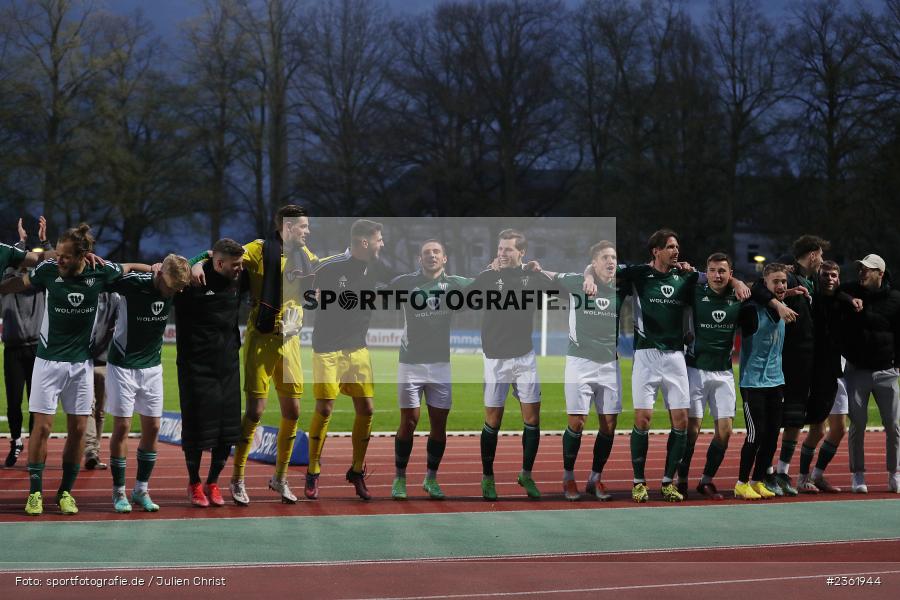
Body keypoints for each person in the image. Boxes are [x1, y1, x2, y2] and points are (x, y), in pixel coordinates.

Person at [0, 223, 138, 516]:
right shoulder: (48, 271)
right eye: (58, 254)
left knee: (77, 429)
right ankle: (35, 493)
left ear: (82, 256)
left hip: (81, 365)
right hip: (47, 363)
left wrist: (154, 265)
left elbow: (127, 268)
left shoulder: (100, 272)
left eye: (64, 256)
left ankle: (65, 493)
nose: (58, 259)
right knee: (43, 427)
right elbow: (21, 283)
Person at [197, 205, 319, 506]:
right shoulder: (259, 250)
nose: (307, 231)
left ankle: (280, 477)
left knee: (292, 412)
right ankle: (237, 478)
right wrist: (198, 264)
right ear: (286, 228)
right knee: (255, 412)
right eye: (302, 226)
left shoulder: (307, 257)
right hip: (261, 341)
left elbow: (315, 289)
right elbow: (220, 253)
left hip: (289, 343)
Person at [304, 220, 395, 501]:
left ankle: (356, 470)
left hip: (358, 348)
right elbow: (304, 293)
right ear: (364, 242)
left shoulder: (378, 266)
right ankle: (313, 471)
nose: (382, 244)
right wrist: (312, 299)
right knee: (325, 408)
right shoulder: (329, 266)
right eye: (379, 240)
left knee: (367, 409)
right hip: (327, 349)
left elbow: (399, 284)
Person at [468, 229, 558, 501]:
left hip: (525, 357)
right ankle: (487, 477)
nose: (502, 254)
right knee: (493, 420)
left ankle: (526, 474)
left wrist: (543, 270)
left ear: (521, 252)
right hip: (495, 358)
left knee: (532, 419)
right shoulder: (489, 276)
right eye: (500, 249)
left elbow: (563, 285)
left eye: (508, 249)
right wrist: (486, 272)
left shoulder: (531, 276)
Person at [105, 255, 192, 512]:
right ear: (160, 275)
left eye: (178, 289)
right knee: (122, 427)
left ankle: (141, 489)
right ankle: (118, 492)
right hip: (122, 365)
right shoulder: (133, 284)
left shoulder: (174, 283)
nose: (174, 293)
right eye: (172, 288)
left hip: (152, 367)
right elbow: (111, 273)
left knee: (153, 427)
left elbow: (196, 261)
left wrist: (206, 257)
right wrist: (133, 264)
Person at [388, 240, 474, 500]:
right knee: (409, 421)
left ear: (445, 258)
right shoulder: (404, 282)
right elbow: (376, 290)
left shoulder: (456, 283)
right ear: (419, 258)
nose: (432, 256)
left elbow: (485, 285)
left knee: (439, 425)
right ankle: (400, 478)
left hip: (440, 366)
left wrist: (504, 269)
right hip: (410, 363)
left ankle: (430, 478)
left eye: (436, 252)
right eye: (427, 253)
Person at [540, 241, 623, 501]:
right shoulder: (577, 282)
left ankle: (595, 478)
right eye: (605, 258)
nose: (611, 262)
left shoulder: (622, 283)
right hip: (580, 362)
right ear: (594, 262)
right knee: (577, 422)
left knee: (609, 425)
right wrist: (533, 268)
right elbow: (551, 275)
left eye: (614, 257)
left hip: (610, 364)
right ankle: (568, 477)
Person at [175, 239, 247, 507]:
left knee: (227, 431)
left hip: (228, 367)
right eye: (235, 265)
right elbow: (170, 267)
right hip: (195, 368)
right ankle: (194, 482)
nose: (240, 269)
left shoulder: (239, 278)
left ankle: (213, 481)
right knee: (196, 429)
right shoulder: (190, 283)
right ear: (219, 263)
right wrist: (195, 263)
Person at [757, 235, 830, 496]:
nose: (821, 260)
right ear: (812, 255)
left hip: (806, 364)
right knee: (775, 419)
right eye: (820, 255)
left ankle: (783, 472)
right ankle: (763, 473)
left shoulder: (815, 283)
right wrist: (779, 299)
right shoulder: (787, 276)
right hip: (785, 361)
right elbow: (758, 289)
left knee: (795, 420)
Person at [677, 253, 747, 500]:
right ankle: (681, 479)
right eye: (713, 270)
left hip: (724, 372)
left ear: (731, 273)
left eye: (723, 271)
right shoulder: (695, 292)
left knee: (725, 432)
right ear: (707, 272)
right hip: (695, 370)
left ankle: (706, 480)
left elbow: (764, 293)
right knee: (692, 430)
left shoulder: (739, 296)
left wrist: (739, 284)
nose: (717, 275)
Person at [839, 254, 900, 493]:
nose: (862, 273)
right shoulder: (852, 291)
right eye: (861, 269)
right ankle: (858, 475)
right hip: (856, 370)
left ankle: (894, 473)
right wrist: (849, 298)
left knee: (893, 426)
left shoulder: (896, 299)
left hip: (887, 370)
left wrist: (897, 364)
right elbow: (833, 292)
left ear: (880, 273)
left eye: (868, 269)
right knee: (858, 425)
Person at [796, 261, 857, 493]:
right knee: (818, 430)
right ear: (818, 277)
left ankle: (818, 475)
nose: (829, 278)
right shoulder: (812, 299)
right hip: (817, 373)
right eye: (825, 275)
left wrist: (849, 299)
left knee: (839, 429)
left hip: (839, 372)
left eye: (833, 275)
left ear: (838, 278)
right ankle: (802, 478)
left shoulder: (843, 301)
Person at [735, 263, 790, 500]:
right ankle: (741, 483)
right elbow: (753, 289)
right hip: (753, 383)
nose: (780, 286)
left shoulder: (785, 307)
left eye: (783, 281)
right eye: (775, 281)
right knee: (754, 435)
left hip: (776, 382)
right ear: (765, 283)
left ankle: (757, 481)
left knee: (771, 437)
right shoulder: (750, 310)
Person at [2, 218, 50, 466]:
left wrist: (44, 240)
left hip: (36, 349)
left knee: (35, 402)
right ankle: (16, 442)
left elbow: (51, 262)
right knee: (13, 402)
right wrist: (20, 241)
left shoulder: (39, 283)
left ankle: (32, 445)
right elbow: (10, 261)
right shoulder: (7, 284)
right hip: (12, 349)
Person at [82, 291, 117, 471]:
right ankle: (90, 452)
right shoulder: (84, 294)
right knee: (89, 407)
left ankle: (95, 452)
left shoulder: (115, 298)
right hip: (84, 361)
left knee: (100, 411)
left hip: (105, 362)